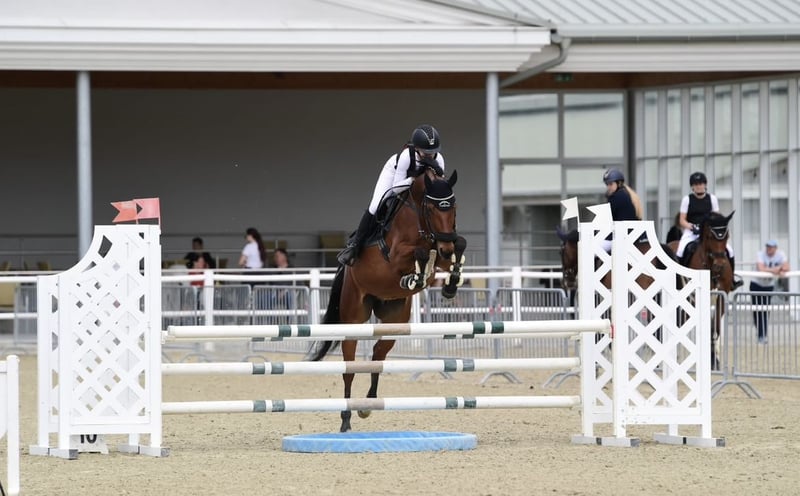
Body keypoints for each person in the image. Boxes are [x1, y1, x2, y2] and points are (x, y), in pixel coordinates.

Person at [337, 124, 445, 266]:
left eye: (432, 151)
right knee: (375, 206)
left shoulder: (439, 159)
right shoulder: (406, 157)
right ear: (417, 148)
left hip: (414, 185)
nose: (430, 155)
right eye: (426, 152)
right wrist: (412, 180)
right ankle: (355, 245)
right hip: (395, 177)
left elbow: (438, 188)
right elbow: (396, 188)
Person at [674, 171, 742, 288]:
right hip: (692, 231)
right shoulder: (687, 199)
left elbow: (716, 216)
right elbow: (682, 220)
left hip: (708, 232)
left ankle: (732, 280)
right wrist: (691, 226)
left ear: (705, 185)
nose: (698, 186)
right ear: (692, 187)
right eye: (696, 184)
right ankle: (679, 280)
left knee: (730, 250)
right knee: (680, 250)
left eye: (701, 184)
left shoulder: (712, 198)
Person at [751, 239, 789, 344]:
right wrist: (777, 270)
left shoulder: (780, 254)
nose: (769, 249)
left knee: (765, 310)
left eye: (771, 247)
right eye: (767, 246)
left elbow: (787, 267)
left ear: (776, 248)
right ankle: (760, 332)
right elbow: (761, 268)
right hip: (756, 285)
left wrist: (778, 269)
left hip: (768, 286)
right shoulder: (760, 254)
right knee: (756, 311)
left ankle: (762, 335)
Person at [600, 168, 642, 253]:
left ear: (618, 183)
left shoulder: (616, 197)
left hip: (620, 236)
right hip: (631, 234)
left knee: (593, 250)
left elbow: (607, 218)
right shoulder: (627, 194)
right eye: (607, 184)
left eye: (611, 184)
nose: (608, 187)